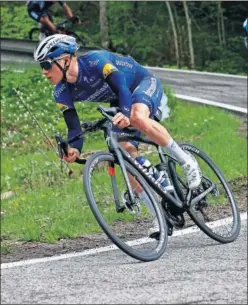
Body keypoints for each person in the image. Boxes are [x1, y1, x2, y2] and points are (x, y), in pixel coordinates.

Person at [33, 34, 202, 237]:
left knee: (137, 116)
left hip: (140, 83)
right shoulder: (60, 92)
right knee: (124, 157)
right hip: (118, 99)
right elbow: (74, 128)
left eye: (46, 64)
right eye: (40, 66)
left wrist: (124, 111)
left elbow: (121, 84)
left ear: (66, 60)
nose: (44, 72)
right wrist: (74, 149)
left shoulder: (95, 61)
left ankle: (187, 161)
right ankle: (159, 217)